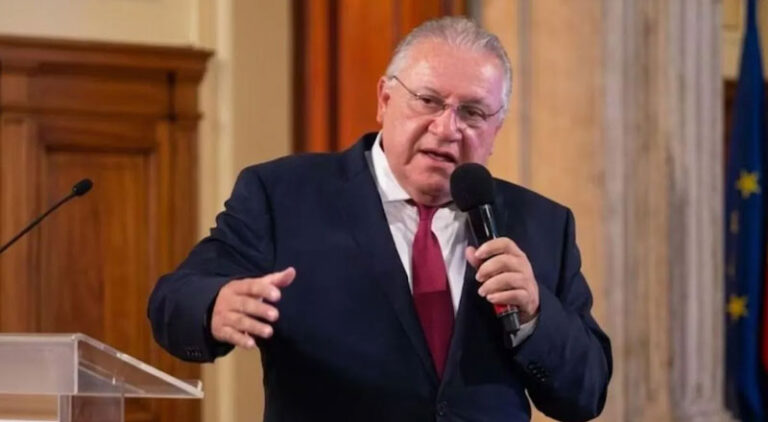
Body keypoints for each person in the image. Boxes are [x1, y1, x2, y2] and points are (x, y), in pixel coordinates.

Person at [148, 16, 611, 422]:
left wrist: (535, 315)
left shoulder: (541, 224)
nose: (447, 129)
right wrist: (215, 305)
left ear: (495, 129)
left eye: (472, 112)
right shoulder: (284, 196)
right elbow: (174, 300)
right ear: (384, 99)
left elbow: (586, 393)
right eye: (428, 101)